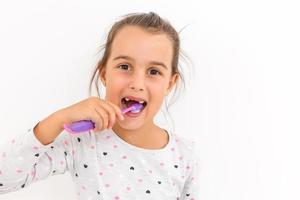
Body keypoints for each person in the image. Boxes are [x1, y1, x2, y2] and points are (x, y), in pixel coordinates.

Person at [0, 12, 200, 199]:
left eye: (154, 71)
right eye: (124, 67)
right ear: (104, 74)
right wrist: (59, 119)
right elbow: (4, 180)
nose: (137, 84)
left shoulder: (184, 155)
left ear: (170, 84)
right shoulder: (81, 142)